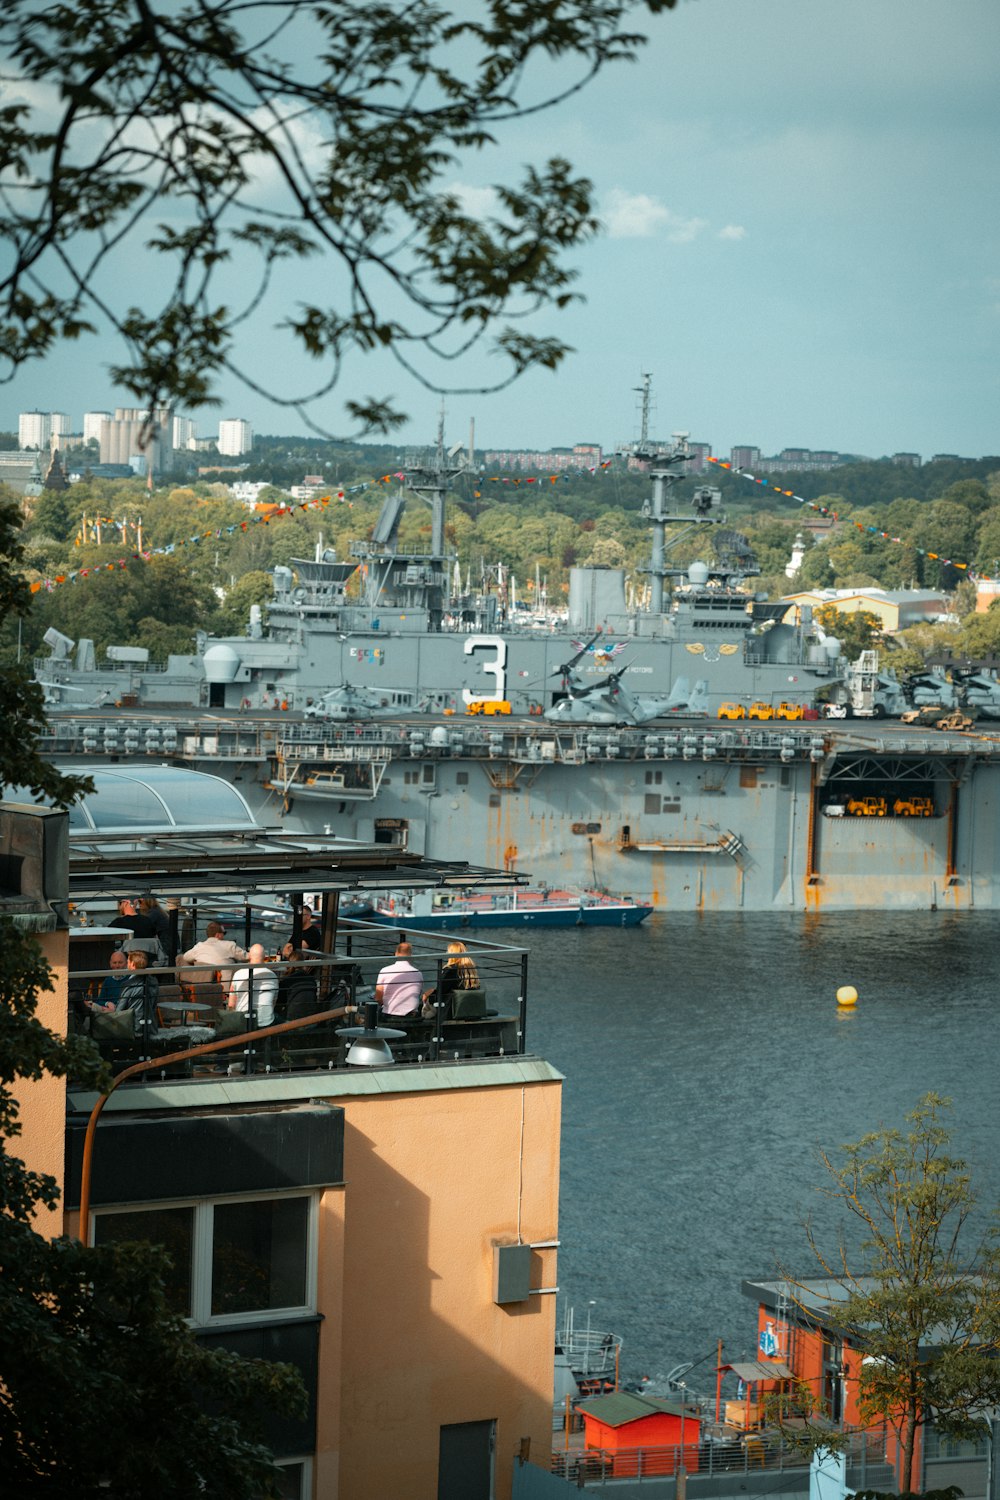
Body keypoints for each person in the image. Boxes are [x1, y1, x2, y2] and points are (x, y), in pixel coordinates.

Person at [421, 940, 479, 1019]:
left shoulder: (450, 970)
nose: (447, 954)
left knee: (422, 1006)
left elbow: (441, 992)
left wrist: (428, 995)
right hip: (469, 1008)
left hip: (451, 1010)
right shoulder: (470, 969)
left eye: (448, 951)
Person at [178, 921, 247, 983]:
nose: (224, 936)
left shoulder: (199, 946)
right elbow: (245, 957)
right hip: (225, 988)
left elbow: (185, 957)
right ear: (218, 935)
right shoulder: (229, 945)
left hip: (202, 986)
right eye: (224, 933)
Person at [228, 943, 278, 1027]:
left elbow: (231, 1004)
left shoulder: (238, 974)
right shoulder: (273, 976)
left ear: (249, 956)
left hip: (243, 1021)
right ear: (264, 957)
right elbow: (273, 1002)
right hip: (266, 1022)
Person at [375, 941, 423, 1020]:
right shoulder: (418, 973)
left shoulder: (385, 970)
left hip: (389, 1014)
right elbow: (417, 993)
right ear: (410, 955)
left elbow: (378, 998)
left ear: (396, 953)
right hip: (412, 1015)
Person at [114, 950, 160, 1033]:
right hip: (150, 1028)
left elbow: (119, 1011)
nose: (127, 964)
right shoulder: (153, 981)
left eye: (128, 962)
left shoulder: (128, 984)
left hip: (132, 1028)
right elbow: (153, 1006)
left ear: (132, 964)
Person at [276, 949, 322, 1021]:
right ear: (303, 963)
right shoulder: (311, 979)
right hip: (311, 1018)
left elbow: (280, 1002)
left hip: (292, 1020)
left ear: (289, 963)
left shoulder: (287, 981)